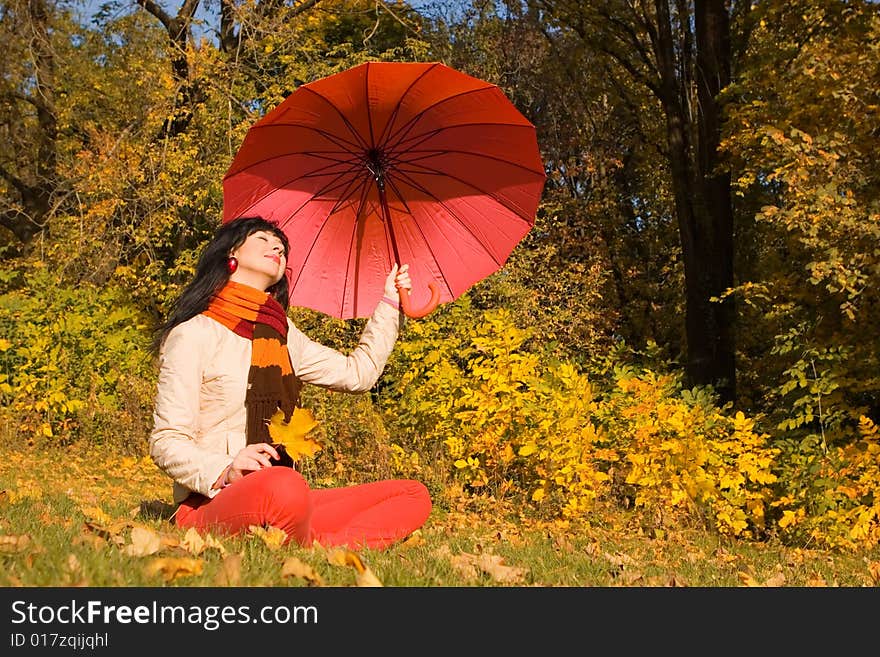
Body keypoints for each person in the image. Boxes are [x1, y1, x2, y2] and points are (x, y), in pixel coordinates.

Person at [148, 215, 431, 550]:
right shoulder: (194, 334)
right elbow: (166, 442)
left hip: (281, 491)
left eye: (281, 245)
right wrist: (226, 469)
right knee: (283, 485)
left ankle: (317, 542)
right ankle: (313, 535)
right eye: (263, 239)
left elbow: (359, 374)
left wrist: (389, 303)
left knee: (413, 495)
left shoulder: (284, 336)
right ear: (231, 254)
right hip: (212, 501)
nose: (277, 247)